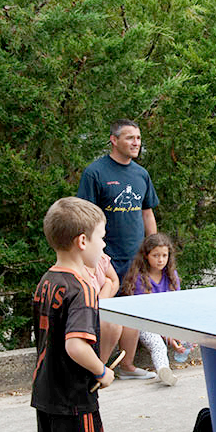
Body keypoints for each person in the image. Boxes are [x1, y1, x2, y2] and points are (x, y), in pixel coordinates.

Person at [31, 197, 117, 432]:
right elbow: (75, 344)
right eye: (101, 238)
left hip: (47, 388)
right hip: (71, 393)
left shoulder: (49, 279)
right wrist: (102, 371)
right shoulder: (82, 288)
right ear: (82, 241)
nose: (104, 246)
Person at [77, 119, 160, 379]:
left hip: (135, 256)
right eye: (129, 138)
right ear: (114, 140)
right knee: (102, 311)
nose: (136, 143)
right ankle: (95, 368)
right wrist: (95, 255)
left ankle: (127, 366)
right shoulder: (95, 173)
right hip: (104, 257)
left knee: (133, 312)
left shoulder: (140, 174)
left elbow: (147, 212)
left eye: (138, 138)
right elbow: (85, 216)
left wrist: (154, 248)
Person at [120, 233, 184, 386]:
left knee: (185, 337)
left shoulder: (171, 276)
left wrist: (175, 333)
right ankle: (164, 370)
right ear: (146, 256)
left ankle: (165, 369)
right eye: (156, 255)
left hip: (165, 321)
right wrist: (166, 335)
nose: (161, 260)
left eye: (164, 255)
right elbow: (145, 312)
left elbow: (175, 305)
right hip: (145, 323)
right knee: (157, 344)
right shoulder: (140, 277)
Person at [85, 252, 123, 363]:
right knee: (111, 323)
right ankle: (101, 365)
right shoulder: (80, 268)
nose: (103, 244)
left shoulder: (102, 258)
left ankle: (127, 366)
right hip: (89, 312)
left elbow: (115, 281)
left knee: (131, 322)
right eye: (100, 239)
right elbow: (95, 302)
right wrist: (107, 285)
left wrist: (109, 286)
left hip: (103, 306)